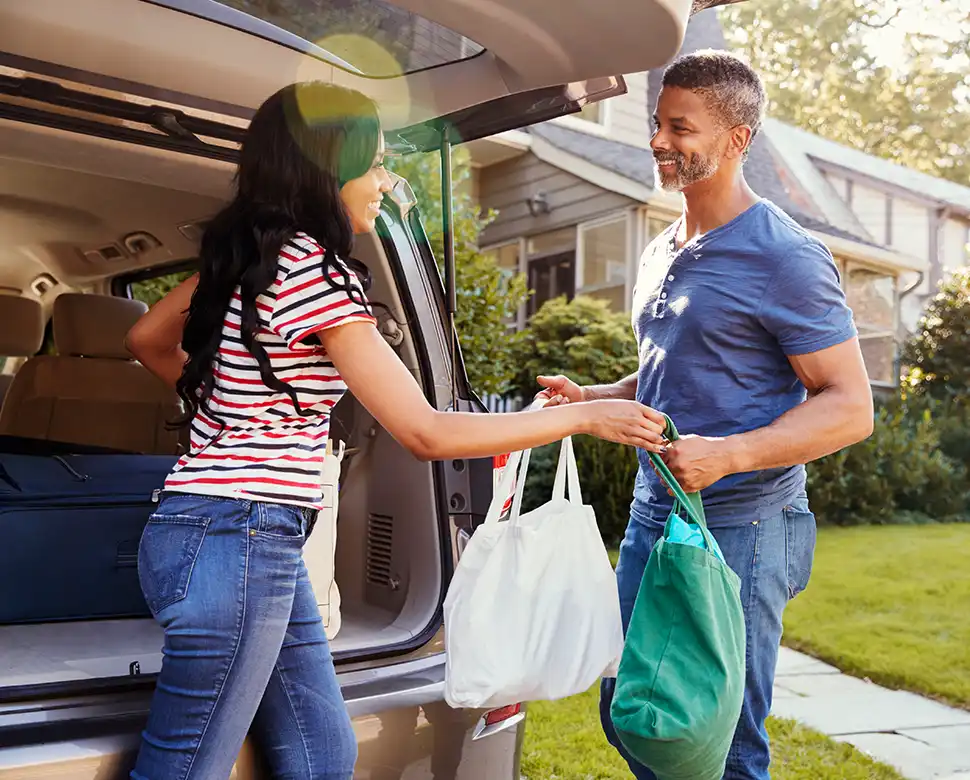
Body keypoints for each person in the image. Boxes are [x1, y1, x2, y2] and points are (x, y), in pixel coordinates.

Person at [124, 81, 667, 780]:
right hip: (241, 538)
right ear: (326, 168)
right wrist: (590, 414)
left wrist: (233, 409)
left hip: (214, 532)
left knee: (323, 754)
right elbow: (426, 432)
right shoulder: (315, 276)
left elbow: (144, 337)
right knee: (184, 767)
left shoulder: (241, 263)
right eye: (374, 164)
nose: (386, 180)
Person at [537, 50, 874, 780]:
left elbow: (850, 407)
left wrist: (730, 455)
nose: (659, 140)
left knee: (715, 740)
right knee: (639, 715)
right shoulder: (665, 248)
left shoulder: (785, 257)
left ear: (737, 139)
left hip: (740, 529)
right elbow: (678, 366)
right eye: (658, 124)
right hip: (653, 514)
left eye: (680, 128)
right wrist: (591, 397)